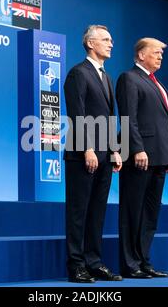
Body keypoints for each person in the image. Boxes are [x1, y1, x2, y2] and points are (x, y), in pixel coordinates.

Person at [63, 25, 122, 283]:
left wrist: (115, 150)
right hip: (82, 155)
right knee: (79, 211)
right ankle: (76, 265)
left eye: (111, 40)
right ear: (90, 43)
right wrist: (87, 148)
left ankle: (94, 262)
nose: (111, 44)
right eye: (105, 40)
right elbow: (77, 113)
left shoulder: (106, 77)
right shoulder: (78, 73)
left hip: (105, 156)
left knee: (98, 211)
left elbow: (110, 118)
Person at [115, 38, 168, 278]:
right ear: (141, 55)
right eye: (156, 52)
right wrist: (138, 148)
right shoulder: (129, 78)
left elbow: (164, 124)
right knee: (132, 212)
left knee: (150, 214)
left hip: (160, 158)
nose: (160, 56)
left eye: (162, 53)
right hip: (139, 156)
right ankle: (130, 265)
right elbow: (128, 117)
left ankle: (144, 261)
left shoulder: (157, 83)